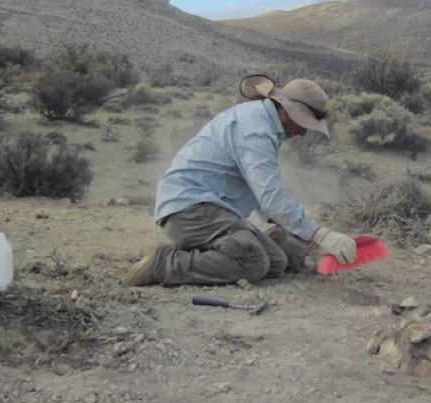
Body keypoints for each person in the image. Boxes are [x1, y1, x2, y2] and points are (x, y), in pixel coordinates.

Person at [122, 77, 357, 286]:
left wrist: (286, 226)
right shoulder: (256, 131)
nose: (305, 132)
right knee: (253, 262)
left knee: (275, 262)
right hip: (189, 208)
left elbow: (259, 191)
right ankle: (164, 263)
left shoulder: (261, 120)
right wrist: (322, 235)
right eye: (304, 123)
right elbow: (272, 198)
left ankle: (248, 243)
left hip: (206, 209)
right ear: (287, 111)